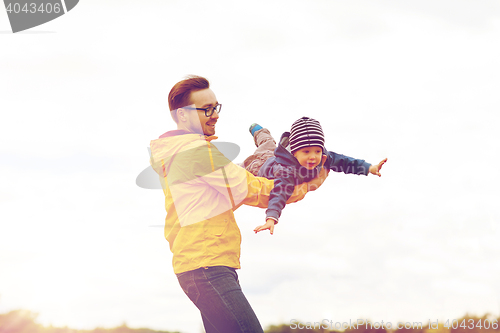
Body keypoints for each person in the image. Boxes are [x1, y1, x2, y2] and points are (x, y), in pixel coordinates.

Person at [149, 76, 328, 333]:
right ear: (183, 115)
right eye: (206, 109)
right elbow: (248, 188)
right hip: (206, 267)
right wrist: (304, 187)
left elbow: (230, 190)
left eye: (216, 107)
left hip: (204, 264)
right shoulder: (194, 153)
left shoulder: (184, 152)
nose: (215, 115)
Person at [244, 118, 387, 235]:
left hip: (274, 156)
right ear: (294, 152)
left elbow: (345, 162)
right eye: (306, 152)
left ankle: (260, 132)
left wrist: (369, 168)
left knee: (268, 145)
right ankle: (258, 130)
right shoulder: (286, 170)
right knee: (264, 145)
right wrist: (271, 218)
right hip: (259, 166)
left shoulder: (324, 156)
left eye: (317, 151)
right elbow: (280, 192)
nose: (313, 157)